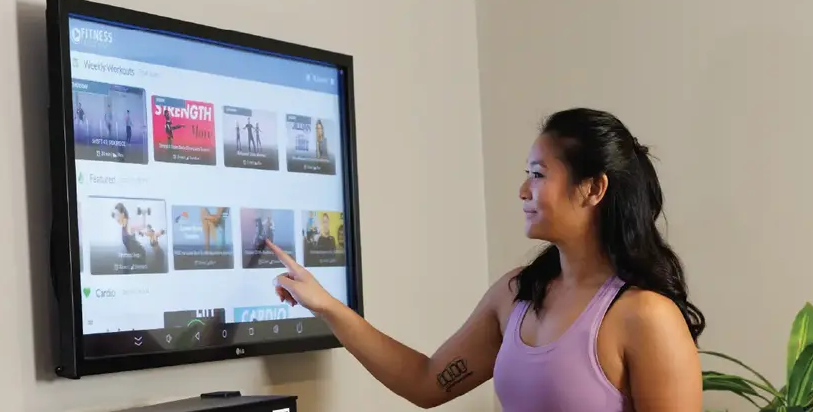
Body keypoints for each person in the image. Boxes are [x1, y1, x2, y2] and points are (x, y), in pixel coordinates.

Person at [268, 108, 704, 411]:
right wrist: (328, 306)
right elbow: (426, 382)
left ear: (593, 189)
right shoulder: (516, 295)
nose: (523, 190)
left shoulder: (646, 316)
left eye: (538, 175)